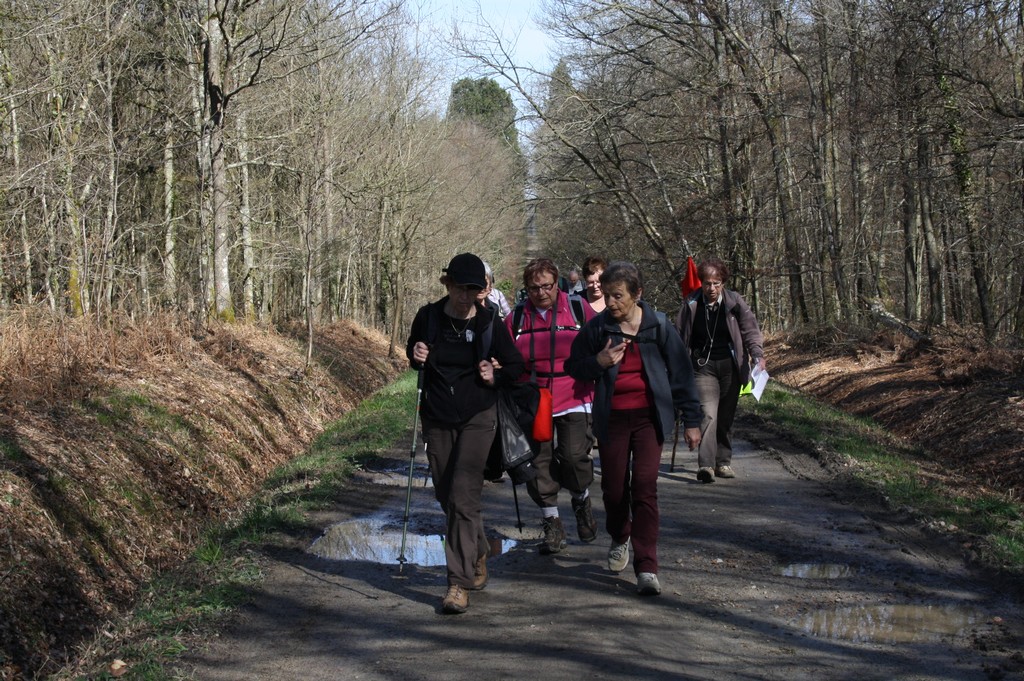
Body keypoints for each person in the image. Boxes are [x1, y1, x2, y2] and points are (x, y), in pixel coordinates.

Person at [567, 261, 702, 596]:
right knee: (614, 490)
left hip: (648, 418)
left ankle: (647, 567)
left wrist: (692, 421)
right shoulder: (598, 328)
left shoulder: (658, 326)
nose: (611, 303)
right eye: (608, 295)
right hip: (611, 418)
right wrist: (598, 362)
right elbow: (574, 366)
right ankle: (620, 535)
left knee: (644, 488)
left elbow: (681, 374)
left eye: (618, 296)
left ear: (637, 295)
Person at [406, 253, 525, 614]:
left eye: (473, 290)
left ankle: (458, 584)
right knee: (448, 496)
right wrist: (416, 353)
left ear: (481, 290)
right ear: (448, 285)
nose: (465, 296)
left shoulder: (490, 322)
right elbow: (414, 355)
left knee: (463, 493)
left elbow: (518, 366)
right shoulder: (428, 317)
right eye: (459, 288)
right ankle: (478, 551)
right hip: (438, 416)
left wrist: (496, 375)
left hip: (479, 415)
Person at [506, 257, 598, 554]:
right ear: (526, 289)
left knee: (573, 457)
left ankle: (581, 499)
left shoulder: (577, 308)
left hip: (574, 393)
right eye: (534, 288)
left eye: (547, 286)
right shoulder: (517, 318)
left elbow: (600, 340)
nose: (541, 292)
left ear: (557, 283)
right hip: (534, 398)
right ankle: (552, 524)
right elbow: (503, 353)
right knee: (539, 463)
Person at [674, 257, 765, 483]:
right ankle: (706, 465)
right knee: (708, 415)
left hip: (731, 367)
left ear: (723, 283)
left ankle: (723, 462)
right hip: (702, 367)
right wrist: (674, 364)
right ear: (701, 283)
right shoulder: (691, 304)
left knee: (725, 417)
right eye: (707, 283)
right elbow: (679, 336)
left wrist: (758, 354)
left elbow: (750, 330)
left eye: (716, 283)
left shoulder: (735, 302)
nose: (711, 288)